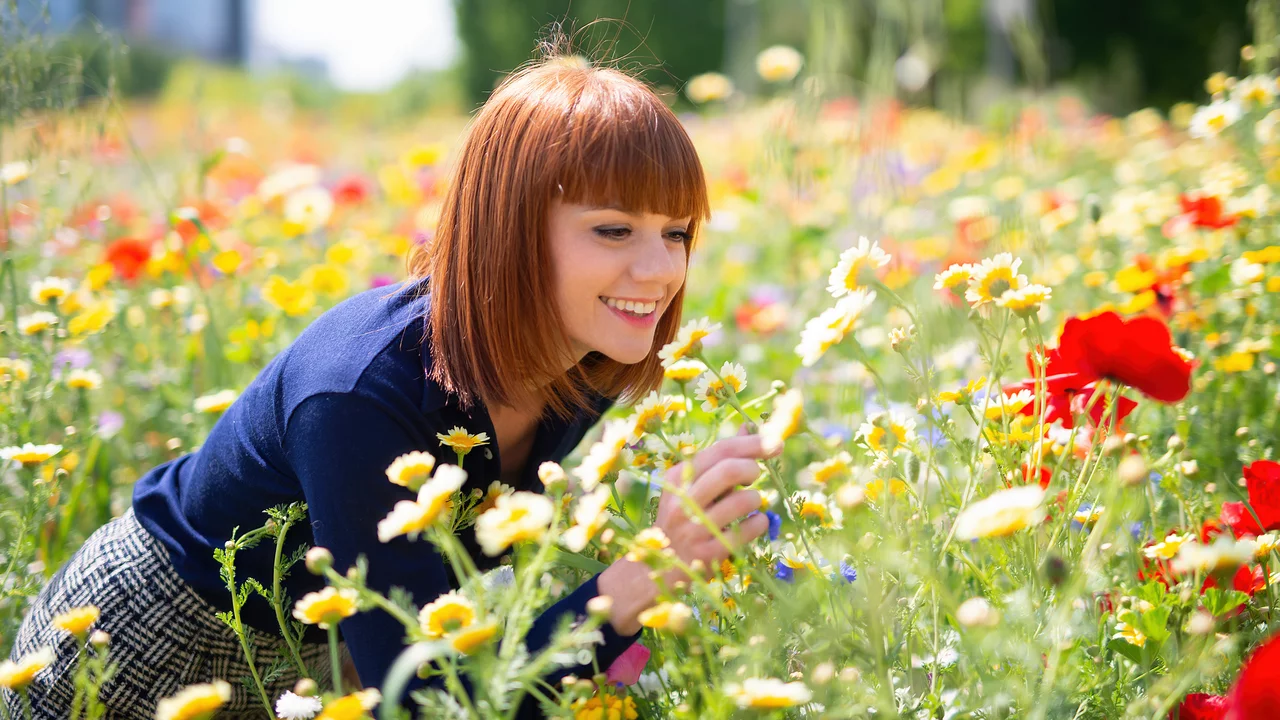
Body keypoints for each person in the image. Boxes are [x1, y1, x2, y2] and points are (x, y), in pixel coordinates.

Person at [4, 50, 774, 718]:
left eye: (676, 233)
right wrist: (641, 576)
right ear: (508, 227)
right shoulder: (361, 395)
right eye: (615, 229)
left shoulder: (588, 359)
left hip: (322, 671)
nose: (660, 270)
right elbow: (423, 704)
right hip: (137, 661)